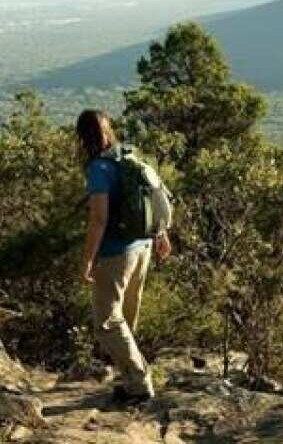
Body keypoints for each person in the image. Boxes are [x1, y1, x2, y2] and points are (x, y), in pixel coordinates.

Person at [76, 109, 172, 405]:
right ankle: (130, 380)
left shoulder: (99, 169)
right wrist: (161, 234)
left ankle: (140, 381)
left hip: (116, 254)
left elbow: (99, 219)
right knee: (126, 317)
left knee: (106, 321)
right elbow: (158, 195)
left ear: (83, 138)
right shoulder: (130, 157)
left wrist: (88, 259)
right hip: (142, 248)